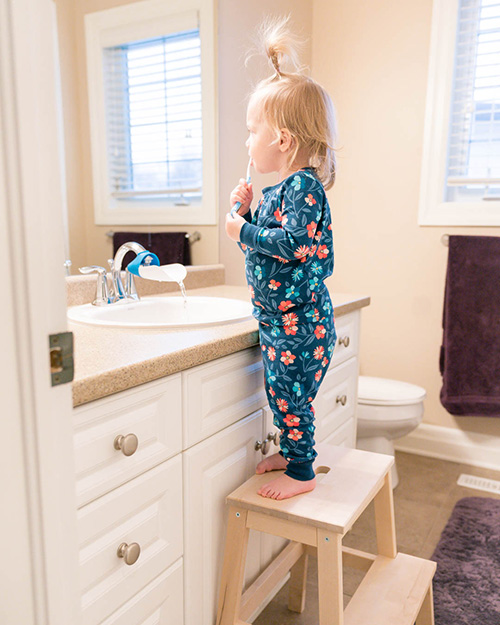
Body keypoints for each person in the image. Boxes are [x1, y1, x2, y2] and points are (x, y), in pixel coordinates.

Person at [225, 16, 338, 500]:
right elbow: (263, 253)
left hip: (301, 321)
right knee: (279, 394)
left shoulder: (305, 189)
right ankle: (291, 454)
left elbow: (292, 245)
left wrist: (244, 228)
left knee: (292, 398)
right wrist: (244, 213)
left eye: (253, 132)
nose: (247, 142)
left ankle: (302, 472)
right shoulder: (276, 193)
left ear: (284, 141)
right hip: (279, 319)